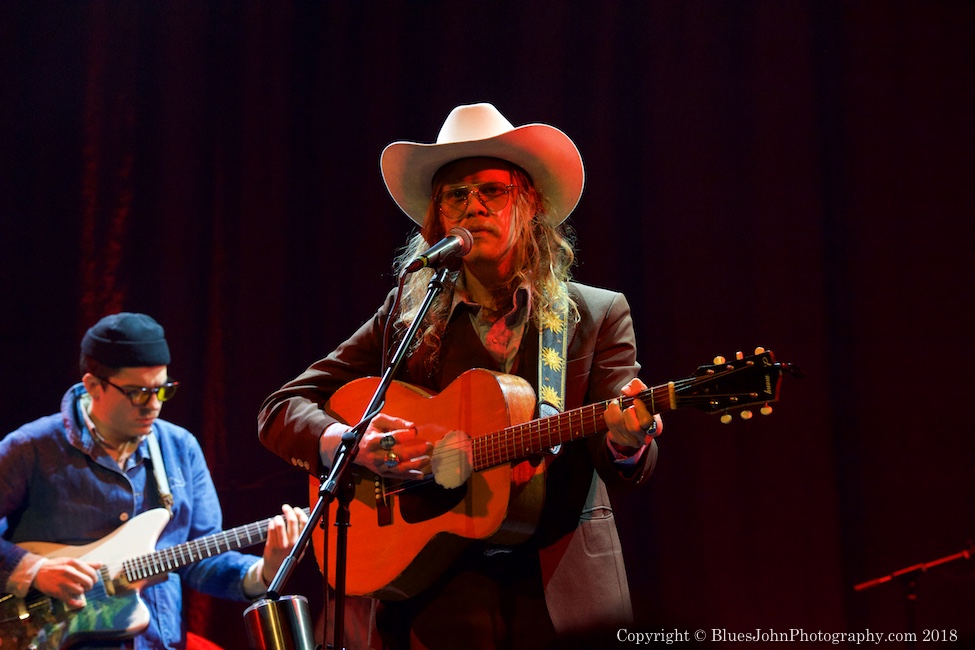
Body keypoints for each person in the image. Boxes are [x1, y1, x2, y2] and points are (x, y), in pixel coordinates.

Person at [258, 103, 661, 649]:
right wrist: (347, 443)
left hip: (559, 588)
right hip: (433, 592)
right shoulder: (407, 313)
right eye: (456, 195)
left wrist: (627, 442)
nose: (474, 207)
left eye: (492, 190)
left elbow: (623, 442)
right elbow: (284, 405)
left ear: (530, 206)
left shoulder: (594, 314)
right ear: (438, 220)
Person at [0, 312, 308, 649]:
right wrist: (33, 569)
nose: (152, 406)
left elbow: (202, 558)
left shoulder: (180, 447)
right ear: (93, 386)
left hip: (157, 641)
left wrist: (266, 570)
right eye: (137, 393)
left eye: (161, 391)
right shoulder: (31, 447)